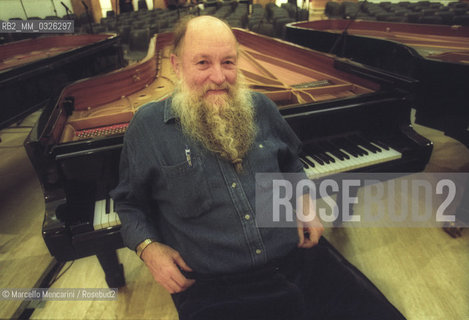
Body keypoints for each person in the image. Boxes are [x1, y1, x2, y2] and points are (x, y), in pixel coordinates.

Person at [111, 15, 406, 320]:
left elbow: (290, 161)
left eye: (228, 62)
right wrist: (148, 248)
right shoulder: (147, 127)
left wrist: (305, 201)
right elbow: (128, 203)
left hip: (298, 261)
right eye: (202, 63)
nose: (219, 76)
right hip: (217, 288)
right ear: (176, 65)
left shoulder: (262, 107)